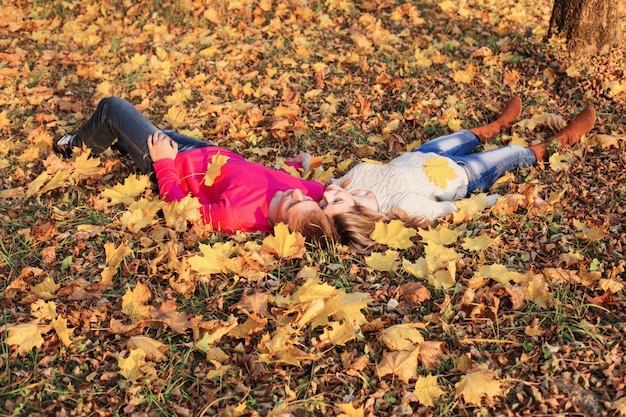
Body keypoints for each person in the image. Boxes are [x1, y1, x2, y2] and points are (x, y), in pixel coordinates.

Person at [317, 97, 596, 252]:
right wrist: (502, 200)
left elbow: (318, 187)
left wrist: (308, 163)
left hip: (426, 153)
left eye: (323, 203)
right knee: (511, 154)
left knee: (463, 135)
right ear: (357, 213)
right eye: (334, 203)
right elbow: (456, 208)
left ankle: (496, 125)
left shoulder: (345, 184)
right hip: (465, 175)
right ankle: (556, 142)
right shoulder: (400, 208)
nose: (328, 195)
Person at [53, 97, 336, 242]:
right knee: (155, 130)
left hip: (174, 162)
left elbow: (180, 213)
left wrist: (163, 163)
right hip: (207, 152)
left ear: (279, 228)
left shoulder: (235, 215)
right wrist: (295, 166)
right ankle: (126, 144)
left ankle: (77, 148)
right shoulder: (302, 194)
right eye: (306, 200)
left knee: (111, 109)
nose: (296, 194)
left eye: (291, 205)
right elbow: (329, 192)